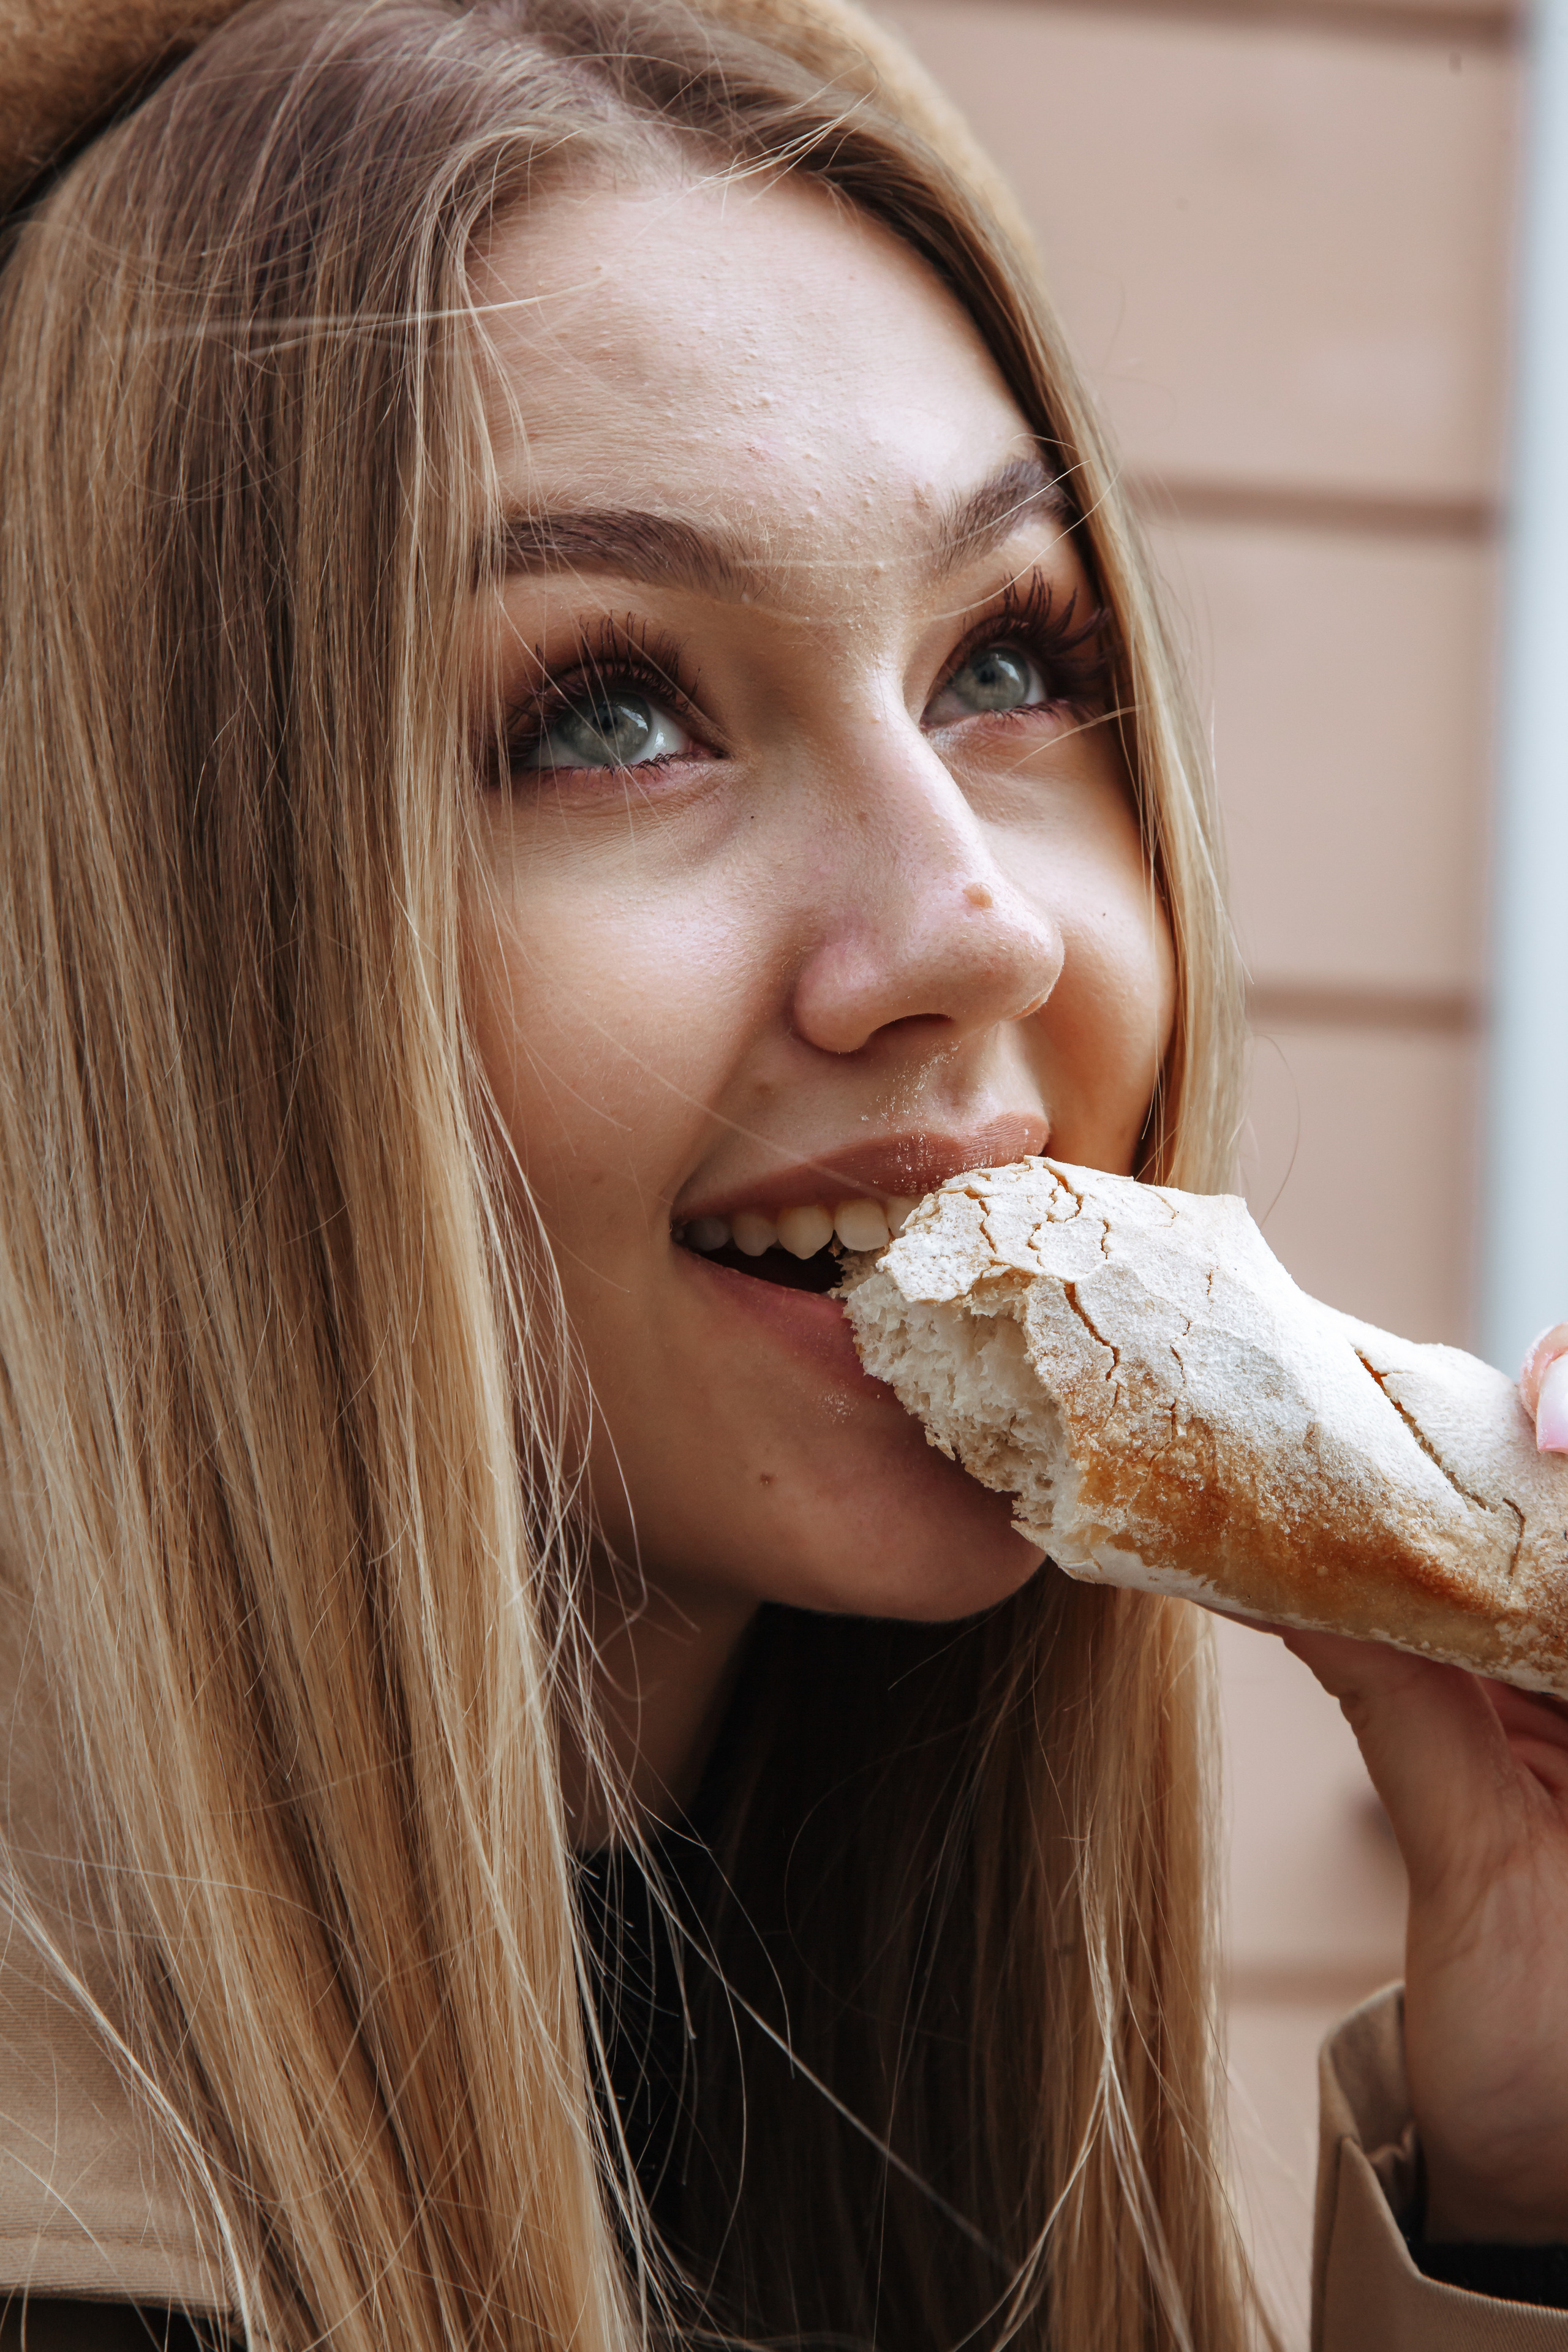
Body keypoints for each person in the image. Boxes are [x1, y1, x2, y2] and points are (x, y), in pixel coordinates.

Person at [0, 1, 1565, 2345]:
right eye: (607, 711)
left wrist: (1532, 2179)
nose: (980, 922)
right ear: (133, 953)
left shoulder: (905, 2140)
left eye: (1006, 661)